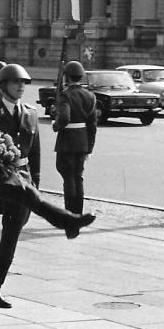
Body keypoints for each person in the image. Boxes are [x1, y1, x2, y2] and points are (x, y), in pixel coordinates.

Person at [0, 64, 95, 309]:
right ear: (3, 86)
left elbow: (35, 151)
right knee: (11, 232)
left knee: (10, 237)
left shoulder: (30, 113)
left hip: (24, 179)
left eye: (24, 82)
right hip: (2, 179)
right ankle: (67, 221)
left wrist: (36, 181)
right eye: (16, 82)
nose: (21, 86)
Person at [54, 60, 97, 214]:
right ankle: (78, 211)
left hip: (67, 142)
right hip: (82, 142)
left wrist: (56, 125)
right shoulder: (90, 96)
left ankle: (70, 212)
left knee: (68, 177)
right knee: (78, 177)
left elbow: (64, 118)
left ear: (67, 77)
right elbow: (92, 125)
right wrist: (89, 148)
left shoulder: (65, 95)